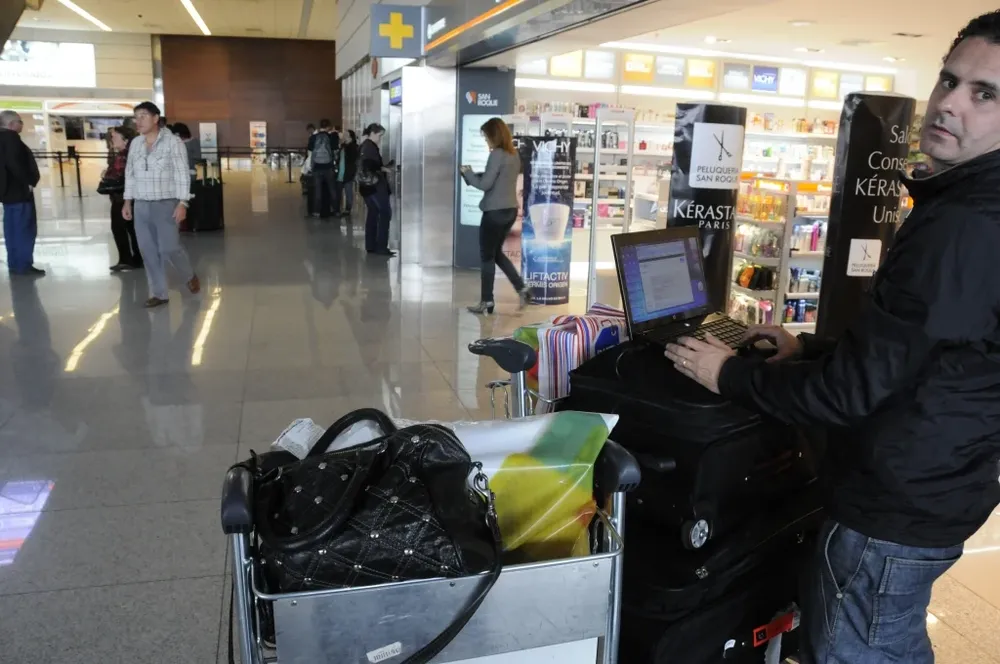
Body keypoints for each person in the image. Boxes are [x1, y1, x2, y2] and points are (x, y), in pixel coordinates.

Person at [664, 12, 1000, 663]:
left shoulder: (965, 227)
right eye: (949, 79)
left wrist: (728, 374)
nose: (950, 103)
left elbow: (849, 396)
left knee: (860, 651)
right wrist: (807, 350)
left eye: (985, 93)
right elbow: (927, 354)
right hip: (940, 484)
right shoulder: (971, 209)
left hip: (894, 503)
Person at [122, 101, 200, 308]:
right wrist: (127, 201)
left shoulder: (173, 142)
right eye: (136, 117)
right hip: (141, 204)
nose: (138, 121)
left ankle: (189, 274)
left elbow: (183, 174)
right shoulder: (136, 144)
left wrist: (183, 202)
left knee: (169, 247)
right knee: (147, 250)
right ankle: (159, 293)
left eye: (143, 116)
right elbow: (129, 174)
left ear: (156, 118)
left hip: (166, 203)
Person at [461, 117, 530, 314]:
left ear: (494, 135)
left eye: (486, 137)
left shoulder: (497, 154)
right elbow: (500, 180)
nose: (486, 141)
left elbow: (485, 185)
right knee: (496, 253)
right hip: (510, 210)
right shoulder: (514, 154)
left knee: (487, 257)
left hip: (494, 212)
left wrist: (467, 173)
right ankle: (522, 288)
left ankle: (487, 301)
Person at [0, 109, 43, 276]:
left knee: (11, 228)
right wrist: (29, 181)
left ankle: (15, 262)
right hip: (19, 192)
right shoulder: (11, 139)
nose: (22, 125)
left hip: (7, 192)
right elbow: (15, 164)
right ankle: (23, 264)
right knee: (24, 228)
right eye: (20, 122)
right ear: (11, 124)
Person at [104, 125, 142, 271]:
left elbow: (117, 176)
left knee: (119, 228)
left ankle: (126, 259)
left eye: (115, 136)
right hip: (130, 197)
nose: (112, 138)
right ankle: (137, 258)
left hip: (122, 197)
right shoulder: (130, 154)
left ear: (125, 140)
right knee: (132, 229)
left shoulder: (123, 156)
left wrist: (106, 178)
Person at [358, 123, 394, 256]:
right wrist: (383, 168)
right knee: (385, 213)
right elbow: (370, 165)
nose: (380, 139)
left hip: (366, 187)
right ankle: (381, 246)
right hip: (375, 186)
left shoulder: (363, 146)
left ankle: (371, 245)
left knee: (373, 213)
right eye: (379, 136)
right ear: (373, 133)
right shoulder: (369, 147)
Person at [307, 118, 340, 218]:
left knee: (318, 191)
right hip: (329, 167)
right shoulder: (332, 137)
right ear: (328, 126)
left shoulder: (313, 138)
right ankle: (336, 211)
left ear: (319, 126)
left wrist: (310, 167)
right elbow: (335, 152)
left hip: (317, 167)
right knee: (332, 190)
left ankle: (316, 212)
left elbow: (310, 153)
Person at [337, 129, 359, 218]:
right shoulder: (343, 146)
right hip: (340, 172)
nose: (343, 135)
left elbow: (353, 161)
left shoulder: (353, 147)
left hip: (348, 172)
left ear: (350, 136)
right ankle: (337, 208)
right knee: (338, 191)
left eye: (346, 134)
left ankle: (348, 209)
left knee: (348, 191)